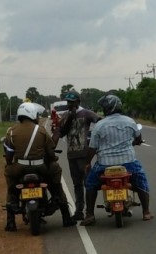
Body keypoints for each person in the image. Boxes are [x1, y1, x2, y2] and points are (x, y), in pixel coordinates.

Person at [79, 94, 153, 226]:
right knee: (141, 181)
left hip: (104, 165)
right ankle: (146, 212)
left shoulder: (99, 125)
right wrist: (134, 142)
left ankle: (89, 214)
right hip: (128, 163)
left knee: (90, 184)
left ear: (107, 108)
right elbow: (138, 138)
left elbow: (93, 148)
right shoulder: (130, 121)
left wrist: (87, 163)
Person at [3, 102, 76, 231]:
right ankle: (66, 216)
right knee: (56, 183)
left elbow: (8, 156)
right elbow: (50, 151)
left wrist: (10, 164)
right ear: (32, 114)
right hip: (40, 167)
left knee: (11, 184)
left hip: (20, 167)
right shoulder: (41, 130)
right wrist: (53, 159)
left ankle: (10, 221)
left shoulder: (11, 132)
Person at [51, 89, 101, 221]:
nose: (69, 104)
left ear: (78, 102)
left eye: (72, 102)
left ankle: (89, 212)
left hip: (84, 155)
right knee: (77, 185)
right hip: (72, 155)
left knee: (88, 183)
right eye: (68, 102)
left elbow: (99, 121)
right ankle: (79, 211)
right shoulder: (66, 116)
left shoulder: (86, 113)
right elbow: (61, 132)